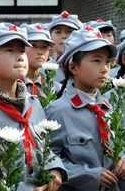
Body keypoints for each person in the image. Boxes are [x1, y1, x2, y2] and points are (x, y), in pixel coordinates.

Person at [0, 23, 67, 191]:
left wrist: (55, 168)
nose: (20, 57)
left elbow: (43, 146)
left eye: (22, 51)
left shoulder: (34, 103)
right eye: (10, 50)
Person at [45, 26, 125, 190]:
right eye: (96, 60)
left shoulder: (111, 108)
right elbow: (48, 157)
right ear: (73, 68)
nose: (105, 68)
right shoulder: (58, 110)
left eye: (108, 62)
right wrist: (89, 175)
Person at [20, 23, 61, 98]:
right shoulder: (10, 87)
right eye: (33, 45)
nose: (40, 52)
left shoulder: (56, 89)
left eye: (44, 46)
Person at [47, 11, 83, 83]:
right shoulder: (43, 71)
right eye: (58, 32)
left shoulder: (87, 68)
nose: (64, 36)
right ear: (50, 37)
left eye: (69, 31)